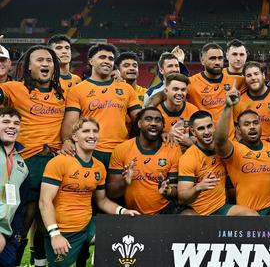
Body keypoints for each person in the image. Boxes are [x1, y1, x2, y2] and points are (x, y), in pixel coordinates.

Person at [39, 117, 139, 266]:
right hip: (63, 231)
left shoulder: (99, 167)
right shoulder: (59, 162)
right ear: (75, 137)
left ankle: (95, 260)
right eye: (86, 131)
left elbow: (102, 201)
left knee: (123, 233)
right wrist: (55, 234)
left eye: (95, 131)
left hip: (87, 227)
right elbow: (44, 201)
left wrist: (123, 211)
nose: (92, 135)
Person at [0, 45, 65, 267]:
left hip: (55, 162)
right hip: (25, 163)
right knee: (23, 217)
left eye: (49, 60)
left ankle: (39, 263)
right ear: (28, 66)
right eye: (39, 60)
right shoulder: (14, 88)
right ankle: (13, 260)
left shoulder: (64, 91)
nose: (45, 64)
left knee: (47, 218)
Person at [213, 87, 270, 216]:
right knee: (254, 222)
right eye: (246, 124)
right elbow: (219, 141)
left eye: (255, 123)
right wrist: (228, 106)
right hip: (247, 210)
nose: (252, 127)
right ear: (238, 130)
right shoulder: (234, 150)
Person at [62, 43, 142, 169]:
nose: (107, 61)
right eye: (102, 57)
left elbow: (140, 118)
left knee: (118, 188)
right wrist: (67, 140)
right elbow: (71, 121)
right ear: (91, 61)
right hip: (90, 149)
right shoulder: (78, 90)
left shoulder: (126, 88)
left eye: (110, 58)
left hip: (121, 150)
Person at [177, 111, 257, 216]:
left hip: (221, 208)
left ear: (214, 126)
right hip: (198, 212)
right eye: (201, 128)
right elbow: (182, 198)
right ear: (193, 131)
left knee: (252, 215)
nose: (207, 132)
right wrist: (198, 187)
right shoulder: (188, 157)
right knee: (188, 217)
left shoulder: (223, 150)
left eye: (209, 126)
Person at [107, 107, 181, 215]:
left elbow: (176, 191)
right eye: (148, 119)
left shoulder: (173, 148)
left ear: (163, 126)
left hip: (165, 211)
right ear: (139, 124)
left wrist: (168, 190)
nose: (153, 123)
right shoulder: (122, 149)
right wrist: (124, 183)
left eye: (158, 120)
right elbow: (111, 193)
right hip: (132, 214)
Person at [0, 108, 29, 264]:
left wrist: (15, 236)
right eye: (5, 121)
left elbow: (20, 206)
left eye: (16, 123)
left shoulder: (22, 165)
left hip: (8, 235)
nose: (12, 126)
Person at [156, 73, 198, 150]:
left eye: (183, 90)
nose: (179, 93)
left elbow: (199, 138)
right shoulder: (156, 111)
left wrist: (189, 142)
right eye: (175, 89)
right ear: (166, 91)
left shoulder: (193, 110)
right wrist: (166, 134)